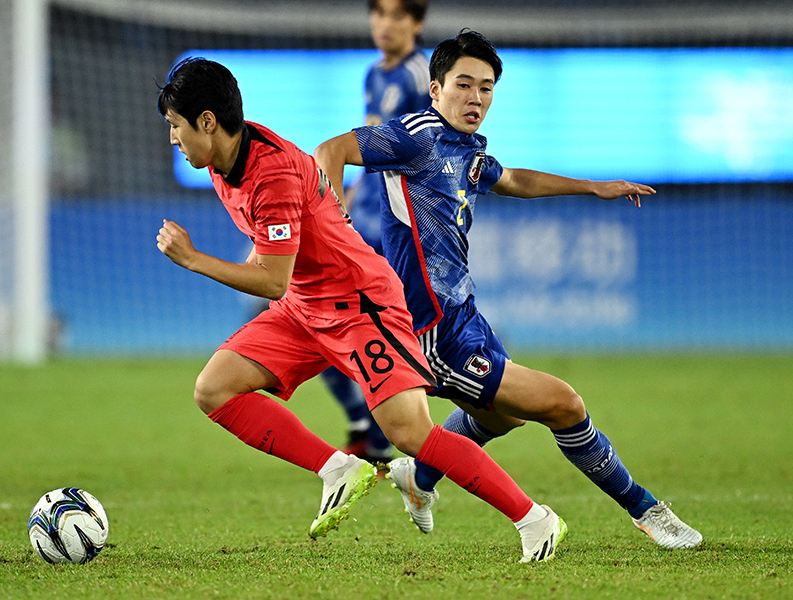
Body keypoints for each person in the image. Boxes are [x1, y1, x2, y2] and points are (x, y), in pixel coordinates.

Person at [155, 56, 567, 562]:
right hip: (306, 306)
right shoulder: (226, 163)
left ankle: (535, 519)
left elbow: (271, 281)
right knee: (214, 388)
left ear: (207, 122)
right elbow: (274, 263)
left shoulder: (270, 173)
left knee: (409, 433)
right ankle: (338, 468)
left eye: (175, 125)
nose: (172, 138)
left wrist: (194, 259)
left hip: (360, 305)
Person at [314, 30, 703, 550]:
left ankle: (419, 477)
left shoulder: (466, 148)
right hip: (431, 330)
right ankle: (648, 512)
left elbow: (514, 179)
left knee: (507, 417)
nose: (475, 97)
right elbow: (330, 150)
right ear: (435, 89)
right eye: (463, 85)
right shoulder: (414, 137)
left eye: (486, 88)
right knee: (564, 405)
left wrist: (593, 187)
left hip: (464, 314)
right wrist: (334, 227)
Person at [328, 0, 432, 465]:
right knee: (311, 315)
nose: (384, 24)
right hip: (359, 220)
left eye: (396, 14)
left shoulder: (421, 76)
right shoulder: (373, 75)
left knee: (379, 336)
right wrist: (346, 202)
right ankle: (366, 428)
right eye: (378, 13)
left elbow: (438, 152)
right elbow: (365, 152)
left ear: (416, 22)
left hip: (395, 228)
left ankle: (384, 437)